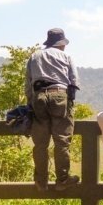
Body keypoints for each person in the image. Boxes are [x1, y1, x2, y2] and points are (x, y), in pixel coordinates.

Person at [25, 28, 80, 191]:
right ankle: (62, 180)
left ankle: (41, 182)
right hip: (59, 96)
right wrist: (69, 101)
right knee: (62, 141)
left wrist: (31, 103)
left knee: (40, 143)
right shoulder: (66, 56)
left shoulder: (34, 56)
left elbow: (28, 84)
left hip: (39, 98)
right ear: (61, 44)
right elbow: (74, 81)